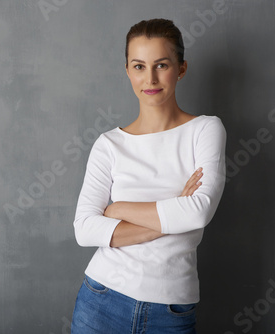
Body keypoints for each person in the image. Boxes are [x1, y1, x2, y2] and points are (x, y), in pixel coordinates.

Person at [71, 18, 226, 333]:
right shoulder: (109, 145)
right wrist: (171, 212)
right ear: (127, 70)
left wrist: (118, 210)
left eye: (162, 65)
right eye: (139, 66)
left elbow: (198, 212)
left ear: (181, 68)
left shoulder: (205, 130)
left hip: (170, 310)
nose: (150, 78)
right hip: (101, 299)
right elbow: (85, 230)